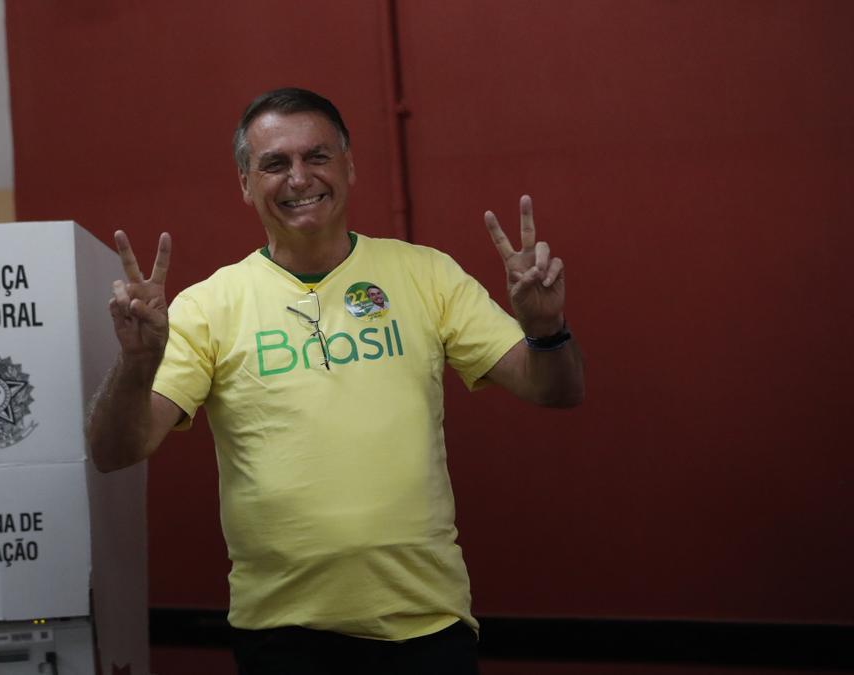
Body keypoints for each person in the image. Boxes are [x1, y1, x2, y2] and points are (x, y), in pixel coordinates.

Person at [87, 87, 584, 675]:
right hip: (283, 637)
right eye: (274, 163)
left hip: (427, 625)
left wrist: (546, 329)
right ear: (245, 184)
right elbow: (115, 451)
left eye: (317, 157)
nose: (299, 177)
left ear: (349, 167)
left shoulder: (425, 274)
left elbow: (556, 389)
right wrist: (138, 363)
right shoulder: (209, 306)